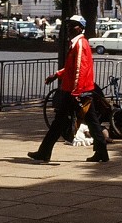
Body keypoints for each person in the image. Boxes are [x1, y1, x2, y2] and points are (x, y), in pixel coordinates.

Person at [28, 15, 109, 163]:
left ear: (80, 28)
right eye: (69, 25)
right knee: (90, 121)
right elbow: (72, 68)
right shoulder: (78, 43)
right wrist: (57, 75)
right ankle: (101, 152)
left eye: (73, 25)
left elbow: (80, 68)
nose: (69, 28)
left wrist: (76, 91)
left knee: (63, 122)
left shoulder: (79, 44)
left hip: (76, 91)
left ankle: (44, 152)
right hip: (80, 90)